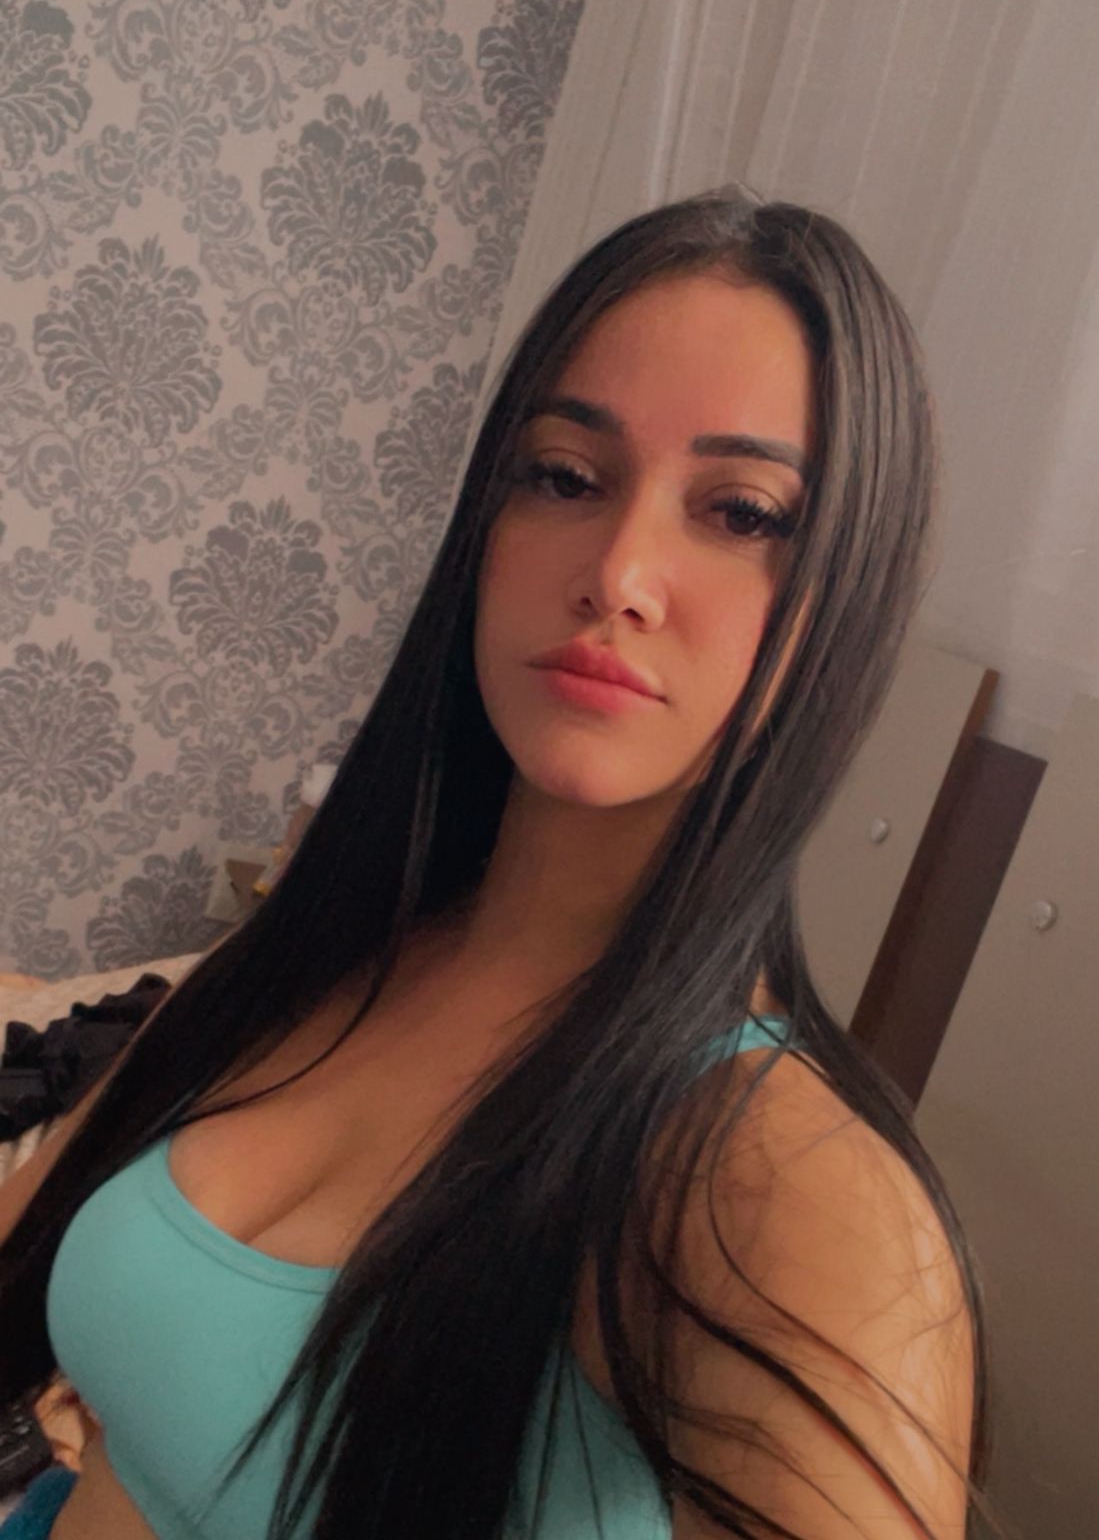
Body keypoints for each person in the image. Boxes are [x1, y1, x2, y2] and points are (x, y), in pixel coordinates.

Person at [0, 184, 1000, 1540]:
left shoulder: (788, 1190)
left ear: (847, 605)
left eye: (744, 513)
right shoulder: (332, 943)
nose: (620, 574)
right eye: (567, 479)